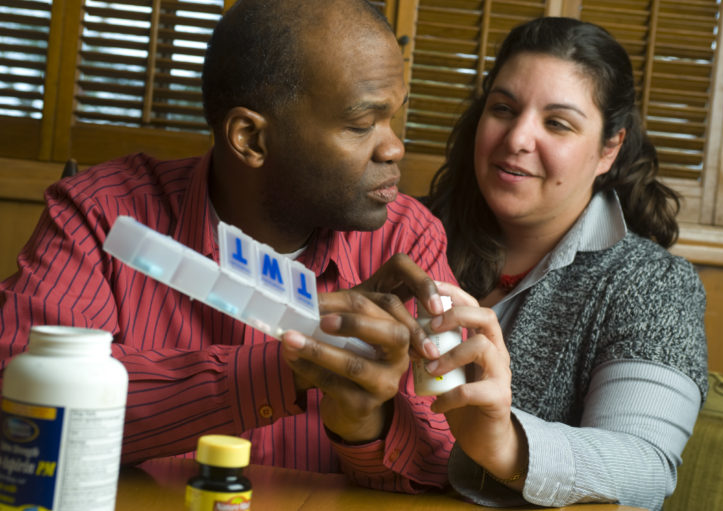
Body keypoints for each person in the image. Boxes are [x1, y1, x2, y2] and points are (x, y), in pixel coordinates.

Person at [0, 0, 456, 493]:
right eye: (362, 124)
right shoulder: (102, 217)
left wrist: (368, 424)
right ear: (251, 139)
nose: (393, 148)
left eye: (393, 117)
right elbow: (18, 408)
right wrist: (278, 371)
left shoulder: (407, 240)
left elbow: (451, 463)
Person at [421, 17, 708, 510]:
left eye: (557, 123)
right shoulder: (412, 236)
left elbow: (645, 467)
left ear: (609, 149)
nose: (517, 138)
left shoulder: (652, 284)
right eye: (503, 109)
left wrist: (505, 445)